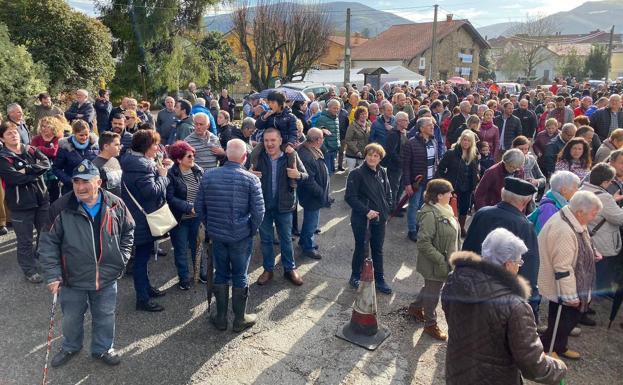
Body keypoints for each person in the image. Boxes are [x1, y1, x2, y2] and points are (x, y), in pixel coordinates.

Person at [39, 160, 134, 368]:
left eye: (86, 182)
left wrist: (122, 258)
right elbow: (47, 244)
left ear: (98, 182)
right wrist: (53, 274)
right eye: (76, 182)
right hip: (72, 278)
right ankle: (71, 346)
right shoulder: (61, 207)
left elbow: (129, 230)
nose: (80, 187)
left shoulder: (116, 204)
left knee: (105, 316)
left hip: (107, 276)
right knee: (72, 318)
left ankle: (103, 348)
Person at [442, 238, 567, 385]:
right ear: (508, 264)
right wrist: (559, 368)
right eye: (519, 262)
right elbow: (532, 364)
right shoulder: (516, 306)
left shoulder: (455, 279)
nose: (519, 267)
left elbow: (450, 316)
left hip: (457, 372)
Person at [196, 139, 264, 332]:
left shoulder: (208, 176)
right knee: (240, 275)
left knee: (221, 273)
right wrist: (250, 230)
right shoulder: (251, 180)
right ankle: (239, 319)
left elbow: (199, 207)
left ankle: (221, 318)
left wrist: (210, 226)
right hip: (241, 235)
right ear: (244, 157)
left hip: (218, 235)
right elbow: (259, 212)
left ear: (226, 154)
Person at [464, 177, 542, 318]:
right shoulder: (524, 226)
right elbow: (529, 268)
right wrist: (532, 303)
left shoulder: (482, 213)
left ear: (502, 194)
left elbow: (467, 248)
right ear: (526, 202)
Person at [538, 191, 602, 360]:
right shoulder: (564, 230)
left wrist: (592, 252)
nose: (595, 217)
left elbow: (584, 240)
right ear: (580, 211)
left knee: (566, 321)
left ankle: (559, 347)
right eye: (593, 213)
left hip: (573, 283)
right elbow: (562, 267)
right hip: (564, 286)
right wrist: (570, 296)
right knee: (562, 321)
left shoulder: (573, 218)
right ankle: (548, 349)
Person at [121, 130, 169, 312]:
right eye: (155, 144)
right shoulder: (142, 166)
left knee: (144, 257)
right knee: (141, 260)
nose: (158, 147)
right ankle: (142, 298)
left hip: (138, 216)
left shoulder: (133, 162)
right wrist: (163, 176)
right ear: (146, 147)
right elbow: (152, 192)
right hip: (142, 220)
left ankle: (147, 289)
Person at [252, 129, 308, 286]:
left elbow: (306, 175)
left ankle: (289, 269)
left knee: (286, 239)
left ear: (280, 140)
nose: (269, 144)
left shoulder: (291, 156)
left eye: (273, 140)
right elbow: (243, 173)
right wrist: (249, 175)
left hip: (284, 205)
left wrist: (297, 175)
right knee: (266, 239)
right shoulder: (257, 156)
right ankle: (268, 269)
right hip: (263, 205)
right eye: (266, 140)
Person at [0, 121, 51, 283]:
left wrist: (27, 169)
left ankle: (42, 258)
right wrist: (35, 172)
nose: (14, 134)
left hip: (42, 200)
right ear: (2, 138)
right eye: (9, 133)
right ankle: (29, 270)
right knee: (25, 241)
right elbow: (14, 178)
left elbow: (46, 164)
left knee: (45, 234)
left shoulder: (30, 149)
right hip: (20, 204)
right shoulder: (3, 157)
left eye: (15, 131)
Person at [409, 179, 459, 341]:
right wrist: (441, 260)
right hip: (435, 264)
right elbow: (423, 243)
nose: (452, 195)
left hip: (444, 261)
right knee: (433, 293)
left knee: (431, 288)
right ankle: (430, 325)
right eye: (449, 193)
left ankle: (415, 308)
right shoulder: (430, 214)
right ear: (439, 196)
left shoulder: (445, 209)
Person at [345, 143, 393, 294]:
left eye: (376, 156)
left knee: (377, 249)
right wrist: (366, 211)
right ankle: (355, 275)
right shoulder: (356, 173)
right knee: (361, 248)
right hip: (362, 219)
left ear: (380, 158)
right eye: (370, 155)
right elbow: (350, 197)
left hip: (380, 219)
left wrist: (387, 208)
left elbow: (388, 192)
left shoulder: (382, 172)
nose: (372, 158)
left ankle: (379, 279)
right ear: (365, 155)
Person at [579, 163, 623, 298]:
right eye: (610, 181)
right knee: (598, 274)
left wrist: (612, 201)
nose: (611, 183)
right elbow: (619, 219)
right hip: (601, 243)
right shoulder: (604, 197)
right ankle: (588, 303)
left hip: (588, 239)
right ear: (604, 182)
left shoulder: (582, 189)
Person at [166, 141, 204, 290]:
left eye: (193, 154)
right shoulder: (172, 174)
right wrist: (189, 207)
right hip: (180, 219)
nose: (192, 158)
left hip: (196, 218)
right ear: (179, 159)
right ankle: (184, 277)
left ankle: (200, 273)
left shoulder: (198, 170)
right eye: (189, 156)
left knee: (198, 247)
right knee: (181, 250)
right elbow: (170, 198)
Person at [402, 116, 439, 242]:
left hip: (430, 181)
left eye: (432, 125)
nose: (432, 127)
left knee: (423, 206)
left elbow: (435, 162)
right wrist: (407, 184)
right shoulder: (411, 143)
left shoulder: (434, 141)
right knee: (413, 206)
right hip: (416, 182)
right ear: (422, 128)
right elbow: (405, 165)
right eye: (429, 125)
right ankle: (412, 230)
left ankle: (419, 226)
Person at [436, 130, 479, 236]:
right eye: (464, 140)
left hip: (467, 188)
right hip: (452, 187)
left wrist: (474, 185)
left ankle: (461, 228)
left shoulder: (474, 155)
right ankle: (446, 229)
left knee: (464, 208)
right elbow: (440, 169)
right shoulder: (451, 153)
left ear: (472, 142)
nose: (466, 142)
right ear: (461, 140)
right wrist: (445, 185)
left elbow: (475, 171)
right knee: (448, 210)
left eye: (469, 141)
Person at [296, 128, 330, 259]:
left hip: (313, 194)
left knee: (310, 221)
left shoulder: (308, 148)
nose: (323, 140)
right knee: (311, 222)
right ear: (317, 140)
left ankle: (303, 241)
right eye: (322, 138)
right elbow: (309, 181)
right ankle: (308, 247)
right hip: (312, 195)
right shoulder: (306, 155)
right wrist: (321, 193)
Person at [53, 119, 99, 195]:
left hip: (91, 186)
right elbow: (56, 168)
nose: (84, 137)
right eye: (81, 135)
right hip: (71, 188)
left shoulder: (95, 146)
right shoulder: (65, 147)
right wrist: (69, 181)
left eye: (86, 134)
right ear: (74, 133)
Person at [31, 116, 64, 203]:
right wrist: (44, 150)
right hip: (40, 170)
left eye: (48, 126)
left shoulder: (57, 138)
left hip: (54, 170)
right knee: (42, 192)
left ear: (54, 127)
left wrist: (39, 148)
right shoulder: (36, 138)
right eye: (43, 126)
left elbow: (54, 152)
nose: (44, 128)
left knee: (55, 193)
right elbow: (32, 152)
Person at [384, 111, 408, 210]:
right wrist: (401, 162)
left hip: (401, 166)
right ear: (398, 121)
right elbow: (391, 151)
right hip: (395, 167)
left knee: (401, 187)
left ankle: (397, 205)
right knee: (394, 188)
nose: (407, 122)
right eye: (405, 120)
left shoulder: (402, 133)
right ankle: (392, 208)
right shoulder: (393, 134)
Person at [92, 132, 122, 196]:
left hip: (118, 202)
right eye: (116, 145)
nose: (120, 148)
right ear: (106, 146)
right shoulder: (95, 165)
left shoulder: (115, 160)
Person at [344, 106, 370, 171]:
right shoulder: (352, 126)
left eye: (365, 114)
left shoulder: (369, 124)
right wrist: (356, 151)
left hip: (364, 153)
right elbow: (348, 140)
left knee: (362, 173)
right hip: (352, 154)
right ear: (357, 115)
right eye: (362, 114)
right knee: (352, 173)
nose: (364, 115)